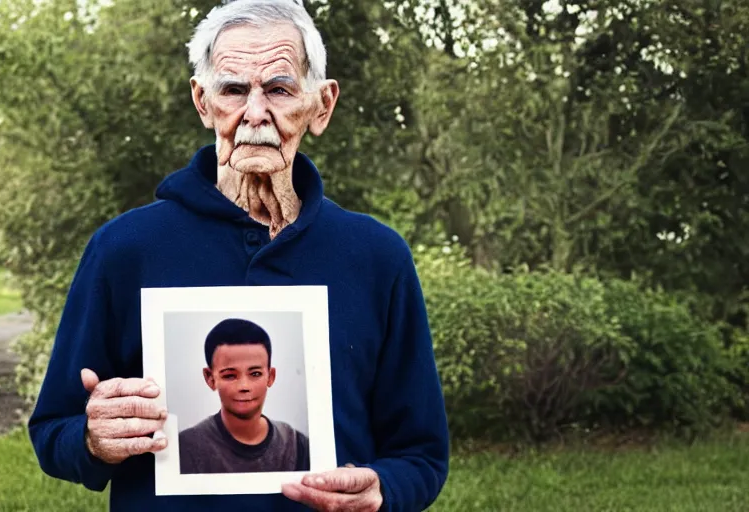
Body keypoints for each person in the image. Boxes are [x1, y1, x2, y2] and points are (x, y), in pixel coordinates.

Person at [28, 1, 450, 511]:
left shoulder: (377, 256)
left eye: (278, 89)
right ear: (202, 101)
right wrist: (94, 440)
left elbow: (422, 454)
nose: (254, 113)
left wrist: (383, 490)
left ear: (321, 105)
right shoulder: (124, 248)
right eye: (232, 89)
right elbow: (54, 433)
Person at [178, 318, 310, 474]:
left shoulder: (296, 445)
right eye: (230, 376)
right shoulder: (186, 449)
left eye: (255, 374)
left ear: (270, 376)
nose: (244, 387)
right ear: (210, 378)